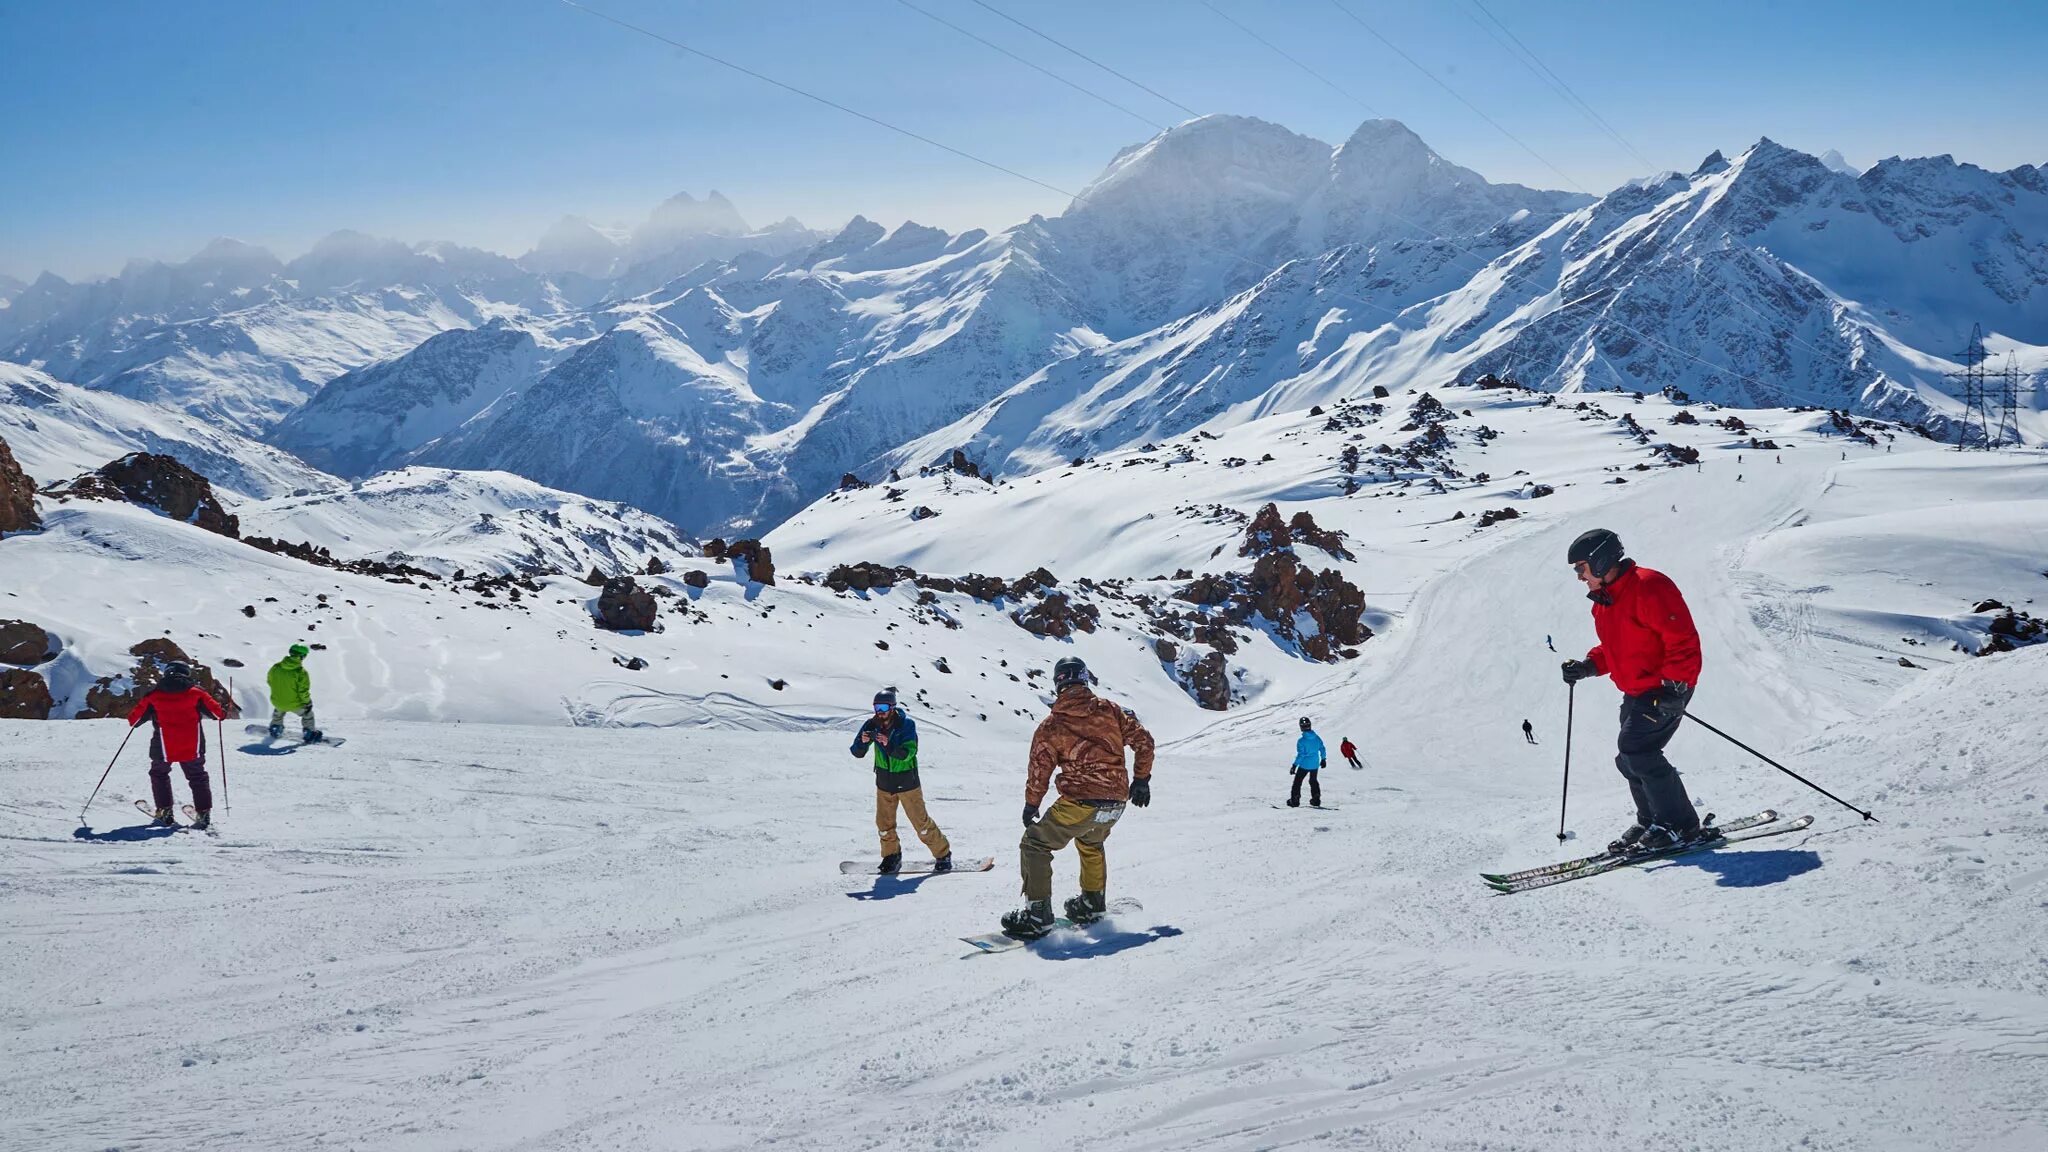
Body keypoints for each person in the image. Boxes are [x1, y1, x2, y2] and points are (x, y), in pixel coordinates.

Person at [1559, 528, 1708, 855]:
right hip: (1638, 690)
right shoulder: (1605, 601)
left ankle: (1681, 825)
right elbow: (1618, 647)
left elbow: (1682, 639)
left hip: (1665, 688)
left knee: (1637, 750)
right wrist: (1588, 665)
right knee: (1628, 758)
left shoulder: (1649, 586)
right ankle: (1652, 820)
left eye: (1580, 568)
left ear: (1600, 560)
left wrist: (1675, 688)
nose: (1579, 577)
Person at [1000, 657, 1154, 940]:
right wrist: (1141, 779)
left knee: (1035, 844)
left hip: (1081, 800)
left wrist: (1031, 804)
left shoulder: (1053, 725)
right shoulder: (1110, 710)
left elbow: (1039, 769)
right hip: (1115, 802)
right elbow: (1144, 741)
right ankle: (1092, 904)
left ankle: (1037, 915)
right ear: (1084, 678)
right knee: (1091, 841)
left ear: (1058, 683)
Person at [849, 688, 950, 875]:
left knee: (921, 824)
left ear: (893, 707)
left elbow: (908, 753)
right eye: (876, 707)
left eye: (883, 707)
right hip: (884, 782)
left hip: (907, 781)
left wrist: (888, 745)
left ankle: (943, 854)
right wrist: (862, 742)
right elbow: (857, 752)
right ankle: (891, 856)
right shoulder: (871, 725)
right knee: (884, 825)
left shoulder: (906, 725)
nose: (879, 711)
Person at [126, 661, 227, 829]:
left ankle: (165, 812)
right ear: (186, 674)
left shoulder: (154, 695)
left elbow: (134, 720)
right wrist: (224, 707)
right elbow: (218, 715)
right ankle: (203, 814)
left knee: (159, 774)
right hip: (192, 745)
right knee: (197, 777)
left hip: (164, 746)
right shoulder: (197, 693)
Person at [266, 643, 322, 743]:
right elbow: (303, 691)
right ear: (301, 656)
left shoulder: (276, 667)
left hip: (277, 701)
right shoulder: (301, 672)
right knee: (308, 715)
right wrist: (308, 703)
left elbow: (270, 681)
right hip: (295, 704)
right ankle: (309, 733)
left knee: (278, 713)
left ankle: (275, 728)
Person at [1288, 716, 1326, 807]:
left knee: (1297, 782)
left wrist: (1294, 766)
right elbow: (1322, 748)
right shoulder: (1316, 738)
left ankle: (1295, 800)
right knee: (1313, 781)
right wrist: (1323, 759)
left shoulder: (1301, 741)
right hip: (1315, 764)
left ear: (1301, 727)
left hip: (1304, 765)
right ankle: (1316, 798)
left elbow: (1301, 755)